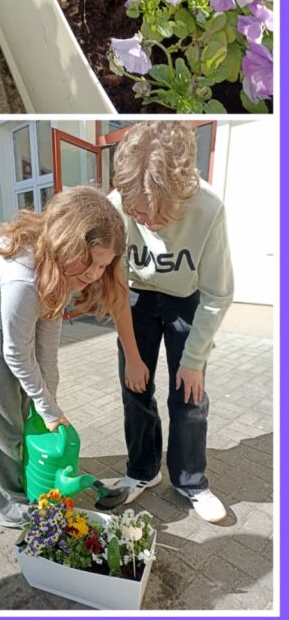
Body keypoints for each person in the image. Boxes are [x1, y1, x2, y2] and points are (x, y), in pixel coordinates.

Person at [0, 185, 141, 528]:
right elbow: (17, 352)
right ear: (67, 242)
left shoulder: (59, 270)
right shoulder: (25, 276)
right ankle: (8, 505)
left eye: (103, 266)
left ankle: (24, 479)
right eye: (89, 262)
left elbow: (46, 347)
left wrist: (49, 404)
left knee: (22, 409)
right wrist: (46, 407)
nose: (94, 274)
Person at [106, 122, 234, 523]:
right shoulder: (118, 204)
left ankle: (190, 481)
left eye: (147, 212)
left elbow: (218, 291)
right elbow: (114, 287)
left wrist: (194, 360)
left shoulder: (208, 207)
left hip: (186, 300)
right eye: (133, 211)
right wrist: (132, 355)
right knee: (135, 388)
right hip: (135, 298)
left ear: (177, 195)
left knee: (190, 396)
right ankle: (142, 471)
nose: (139, 219)